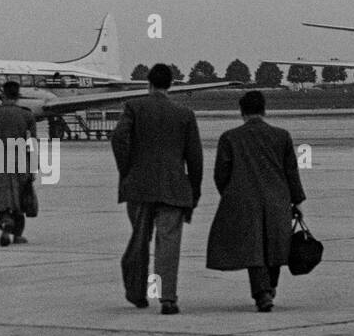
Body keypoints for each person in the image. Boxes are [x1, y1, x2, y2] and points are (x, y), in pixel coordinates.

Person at [110, 63, 203, 315]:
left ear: (148, 83)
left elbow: (119, 138)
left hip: (139, 187)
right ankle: (168, 298)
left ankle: (137, 294)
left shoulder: (134, 107)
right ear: (170, 85)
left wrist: (127, 170)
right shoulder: (184, 114)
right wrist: (194, 191)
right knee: (168, 244)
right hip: (174, 187)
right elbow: (195, 157)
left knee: (139, 242)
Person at [205, 90, 306, 313]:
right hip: (277, 200)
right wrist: (296, 199)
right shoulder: (282, 136)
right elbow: (291, 171)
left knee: (254, 249)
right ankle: (269, 288)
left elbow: (220, 174)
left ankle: (263, 292)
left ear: (241, 112)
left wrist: (231, 195)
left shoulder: (230, 137)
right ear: (264, 110)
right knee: (275, 246)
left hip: (243, 200)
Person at [0, 80, 38, 246]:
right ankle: (18, 235)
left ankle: (6, 223)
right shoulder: (27, 114)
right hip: (20, 161)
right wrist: (33, 165)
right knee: (20, 198)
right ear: (17, 96)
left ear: (2, 95)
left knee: (2, 199)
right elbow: (31, 141)